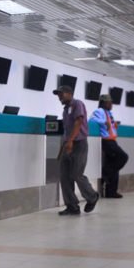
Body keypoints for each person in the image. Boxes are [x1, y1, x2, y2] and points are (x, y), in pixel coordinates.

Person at [53, 85, 99, 215]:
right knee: (64, 176)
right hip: (68, 144)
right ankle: (72, 206)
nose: (59, 97)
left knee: (76, 174)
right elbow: (67, 130)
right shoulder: (65, 110)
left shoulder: (77, 104)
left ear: (69, 93)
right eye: (58, 95)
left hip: (79, 144)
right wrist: (64, 145)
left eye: (61, 94)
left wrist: (71, 141)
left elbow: (78, 122)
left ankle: (92, 196)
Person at [90, 94, 129, 198]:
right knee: (123, 157)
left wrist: (114, 125)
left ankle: (111, 192)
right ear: (103, 103)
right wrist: (104, 122)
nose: (111, 104)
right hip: (106, 141)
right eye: (109, 102)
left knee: (114, 166)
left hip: (112, 140)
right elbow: (92, 120)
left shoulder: (109, 113)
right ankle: (105, 174)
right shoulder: (99, 111)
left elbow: (110, 125)